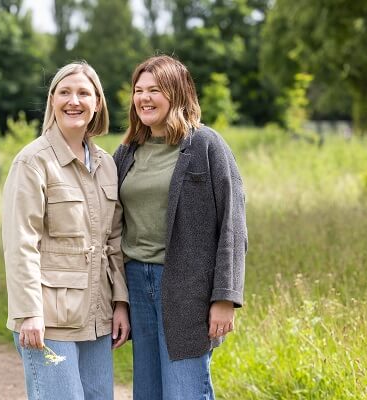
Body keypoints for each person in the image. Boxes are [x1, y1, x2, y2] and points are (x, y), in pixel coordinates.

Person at [113, 55, 248, 399]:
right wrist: (119, 301)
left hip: (189, 290)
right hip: (137, 285)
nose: (144, 98)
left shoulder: (205, 145)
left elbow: (232, 223)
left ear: (177, 93)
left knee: (185, 390)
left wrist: (225, 298)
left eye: (154, 89)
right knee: (148, 392)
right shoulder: (126, 152)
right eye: (138, 90)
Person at [2, 61, 130, 400]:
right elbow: (20, 244)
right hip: (49, 319)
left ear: (97, 103)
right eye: (65, 92)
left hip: (97, 316)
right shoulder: (32, 162)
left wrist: (120, 302)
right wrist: (29, 312)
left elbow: (113, 242)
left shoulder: (106, 165)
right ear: (52, 101)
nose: (74, 101)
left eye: (84, 93)